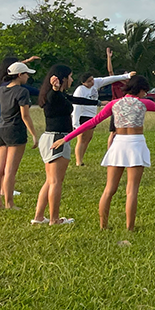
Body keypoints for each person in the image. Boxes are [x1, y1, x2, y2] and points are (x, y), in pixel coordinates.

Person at [54, 76, 155, 231]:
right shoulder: (143, 103)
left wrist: (66, 138)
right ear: (140, 89)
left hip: (118, 144)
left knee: (109, 189)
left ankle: (103, 225)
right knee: (132, 190)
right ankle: (130, 228)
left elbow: (92, 122)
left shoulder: (114, 104)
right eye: (144, 91)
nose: (145, 94)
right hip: (136, 144)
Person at [33, 65, 101, 225]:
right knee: (56, 181)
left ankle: (39, 217)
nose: (72, 79)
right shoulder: (53, 95)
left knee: (50, 180)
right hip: (57, 138)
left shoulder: (61, 95)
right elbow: (53, 97)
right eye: (69, 77)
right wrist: (55, 88)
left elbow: (76, 100)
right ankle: (54, 219)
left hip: (51, 138)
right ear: (61, 79)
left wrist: (99, 102)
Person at [0, 62, 40, 210]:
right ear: (19, 75)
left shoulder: (1, 90)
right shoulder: (22, 91)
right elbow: (25, 115)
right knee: (10, 170)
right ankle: (9, 203)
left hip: (2, 129)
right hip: (15, 130)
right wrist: (34, 135)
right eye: (26, 74)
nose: (27, 77)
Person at [72, 49, 134, 166]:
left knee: (88, 138)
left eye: (92, 79)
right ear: (83, 82)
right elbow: (77, 106)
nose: (92, 82)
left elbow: (108, 79)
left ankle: (81, 160)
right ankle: (78, 161)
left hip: (92, 115)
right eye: (89, 81)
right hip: (83, 116)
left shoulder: (95, 83)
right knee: (81, 139)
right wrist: (75, 123)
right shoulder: (80, 90)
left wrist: (127, 75)